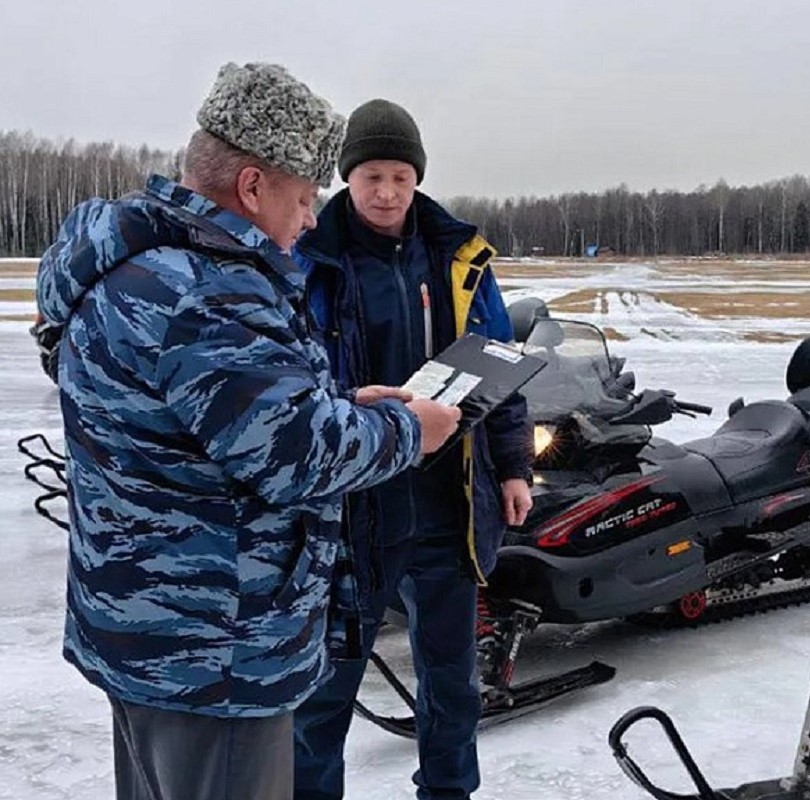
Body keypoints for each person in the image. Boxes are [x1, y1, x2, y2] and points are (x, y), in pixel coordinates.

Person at [34, 63, 461, 800]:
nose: (307, 220)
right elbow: (296, 457)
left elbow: (214, 421)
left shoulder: (139, 267)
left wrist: (335, 401)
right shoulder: (209, 292)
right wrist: (406, 429)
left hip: (145, 629)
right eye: (302, 198)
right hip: (216, 652)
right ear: (254, 187)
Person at [293, 99, 534, 800]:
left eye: (400, 176)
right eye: (372, 176)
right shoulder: (310, 254)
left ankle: (448, 793)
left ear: (418, 176)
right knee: (323, 694)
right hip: (350, 511)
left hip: (444, 505)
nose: (387, 193)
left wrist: (513, 466)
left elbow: (499, 363)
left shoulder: (459, 257)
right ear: (348, 177)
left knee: (451, 684)